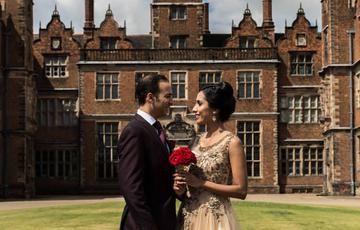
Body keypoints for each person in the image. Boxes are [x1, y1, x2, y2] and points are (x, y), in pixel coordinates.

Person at [173, 81, 248, 230]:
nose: (194, 108)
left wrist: (201, 183)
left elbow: (241, 190)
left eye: (199, 104)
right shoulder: (195, 141)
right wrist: (180, 189)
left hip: (214, 218)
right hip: (187, 215)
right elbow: (188, 184)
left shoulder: (232, 142)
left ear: (214, 109)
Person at [117, 74, 176, 230]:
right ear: (151, 97)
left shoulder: (156, 129)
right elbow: (131, 188)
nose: (171, 101)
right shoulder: (134, 131)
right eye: (168, 96)